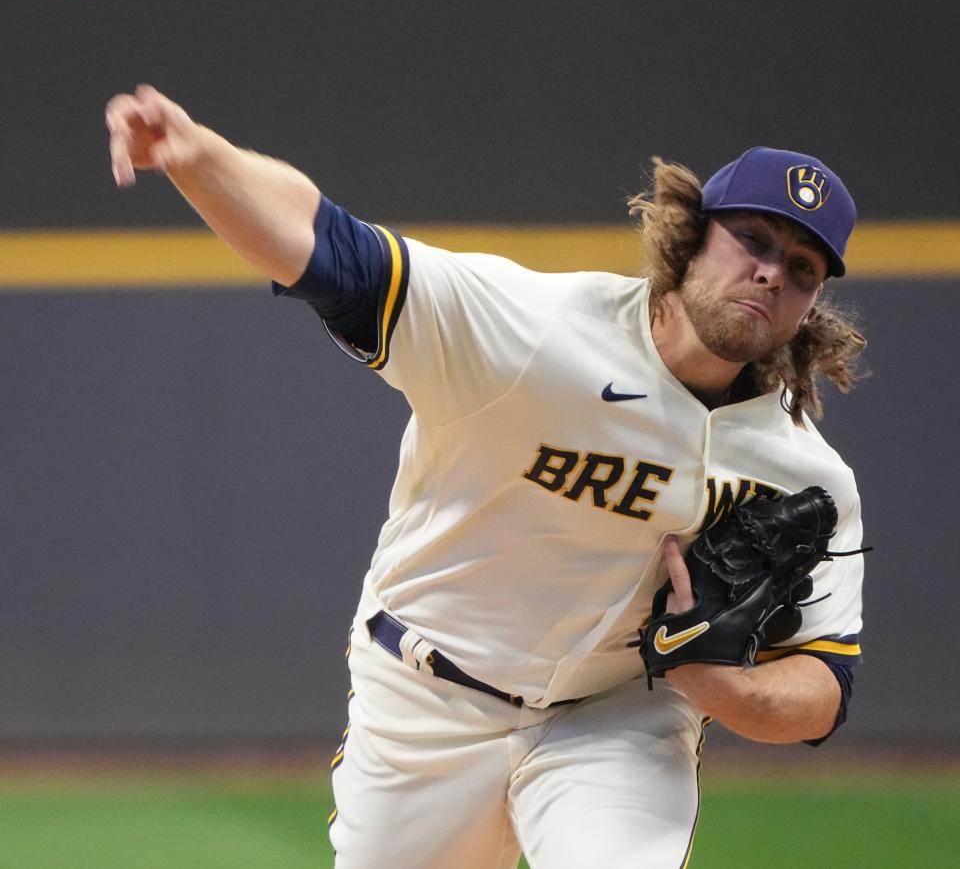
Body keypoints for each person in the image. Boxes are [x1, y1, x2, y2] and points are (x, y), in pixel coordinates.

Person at [106, 85, 868, 869]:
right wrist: (200, 159)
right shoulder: (536, 331)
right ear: (692, 235)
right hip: (427, 693)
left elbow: (826, 687)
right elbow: (329, 247)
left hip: (617, 718)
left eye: (801, 267)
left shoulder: (804, 475)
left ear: (812, 302)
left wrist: (718, 686)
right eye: (752, 238)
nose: (771, 271)